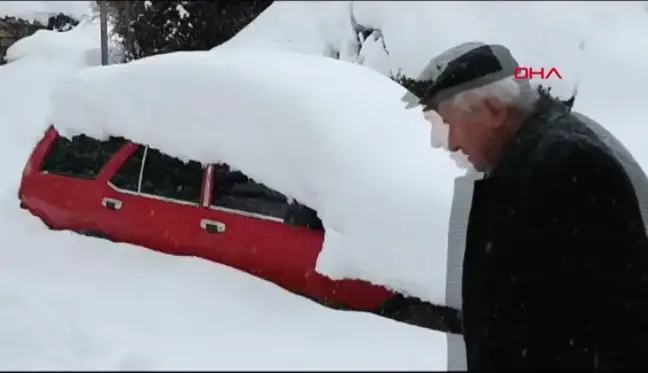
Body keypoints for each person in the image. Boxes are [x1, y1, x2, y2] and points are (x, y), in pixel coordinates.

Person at [401, 43, 648, 370]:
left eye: (448, 123)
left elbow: (598, 322)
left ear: (493, 110)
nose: (446, 142)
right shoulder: (527, 159)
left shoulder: (568, 164)